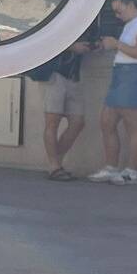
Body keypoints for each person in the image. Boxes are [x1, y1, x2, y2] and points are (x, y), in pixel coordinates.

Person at [89, 0, 137, 184]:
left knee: (132, 126)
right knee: (107, 122)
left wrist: (116, 44)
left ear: (130, 4)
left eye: (119, 11)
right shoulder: (131, 25)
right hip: (120, 75)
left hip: (132, 76)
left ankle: (130, 171)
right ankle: (111, 167)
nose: (117, 16)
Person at [35, 41, 92, 181]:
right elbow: (44, 41)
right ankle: (54, 166)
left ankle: (56, 162)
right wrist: (72, 46)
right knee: (52, 122)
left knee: (78, 122)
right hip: (54, 73)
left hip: (73, 75)